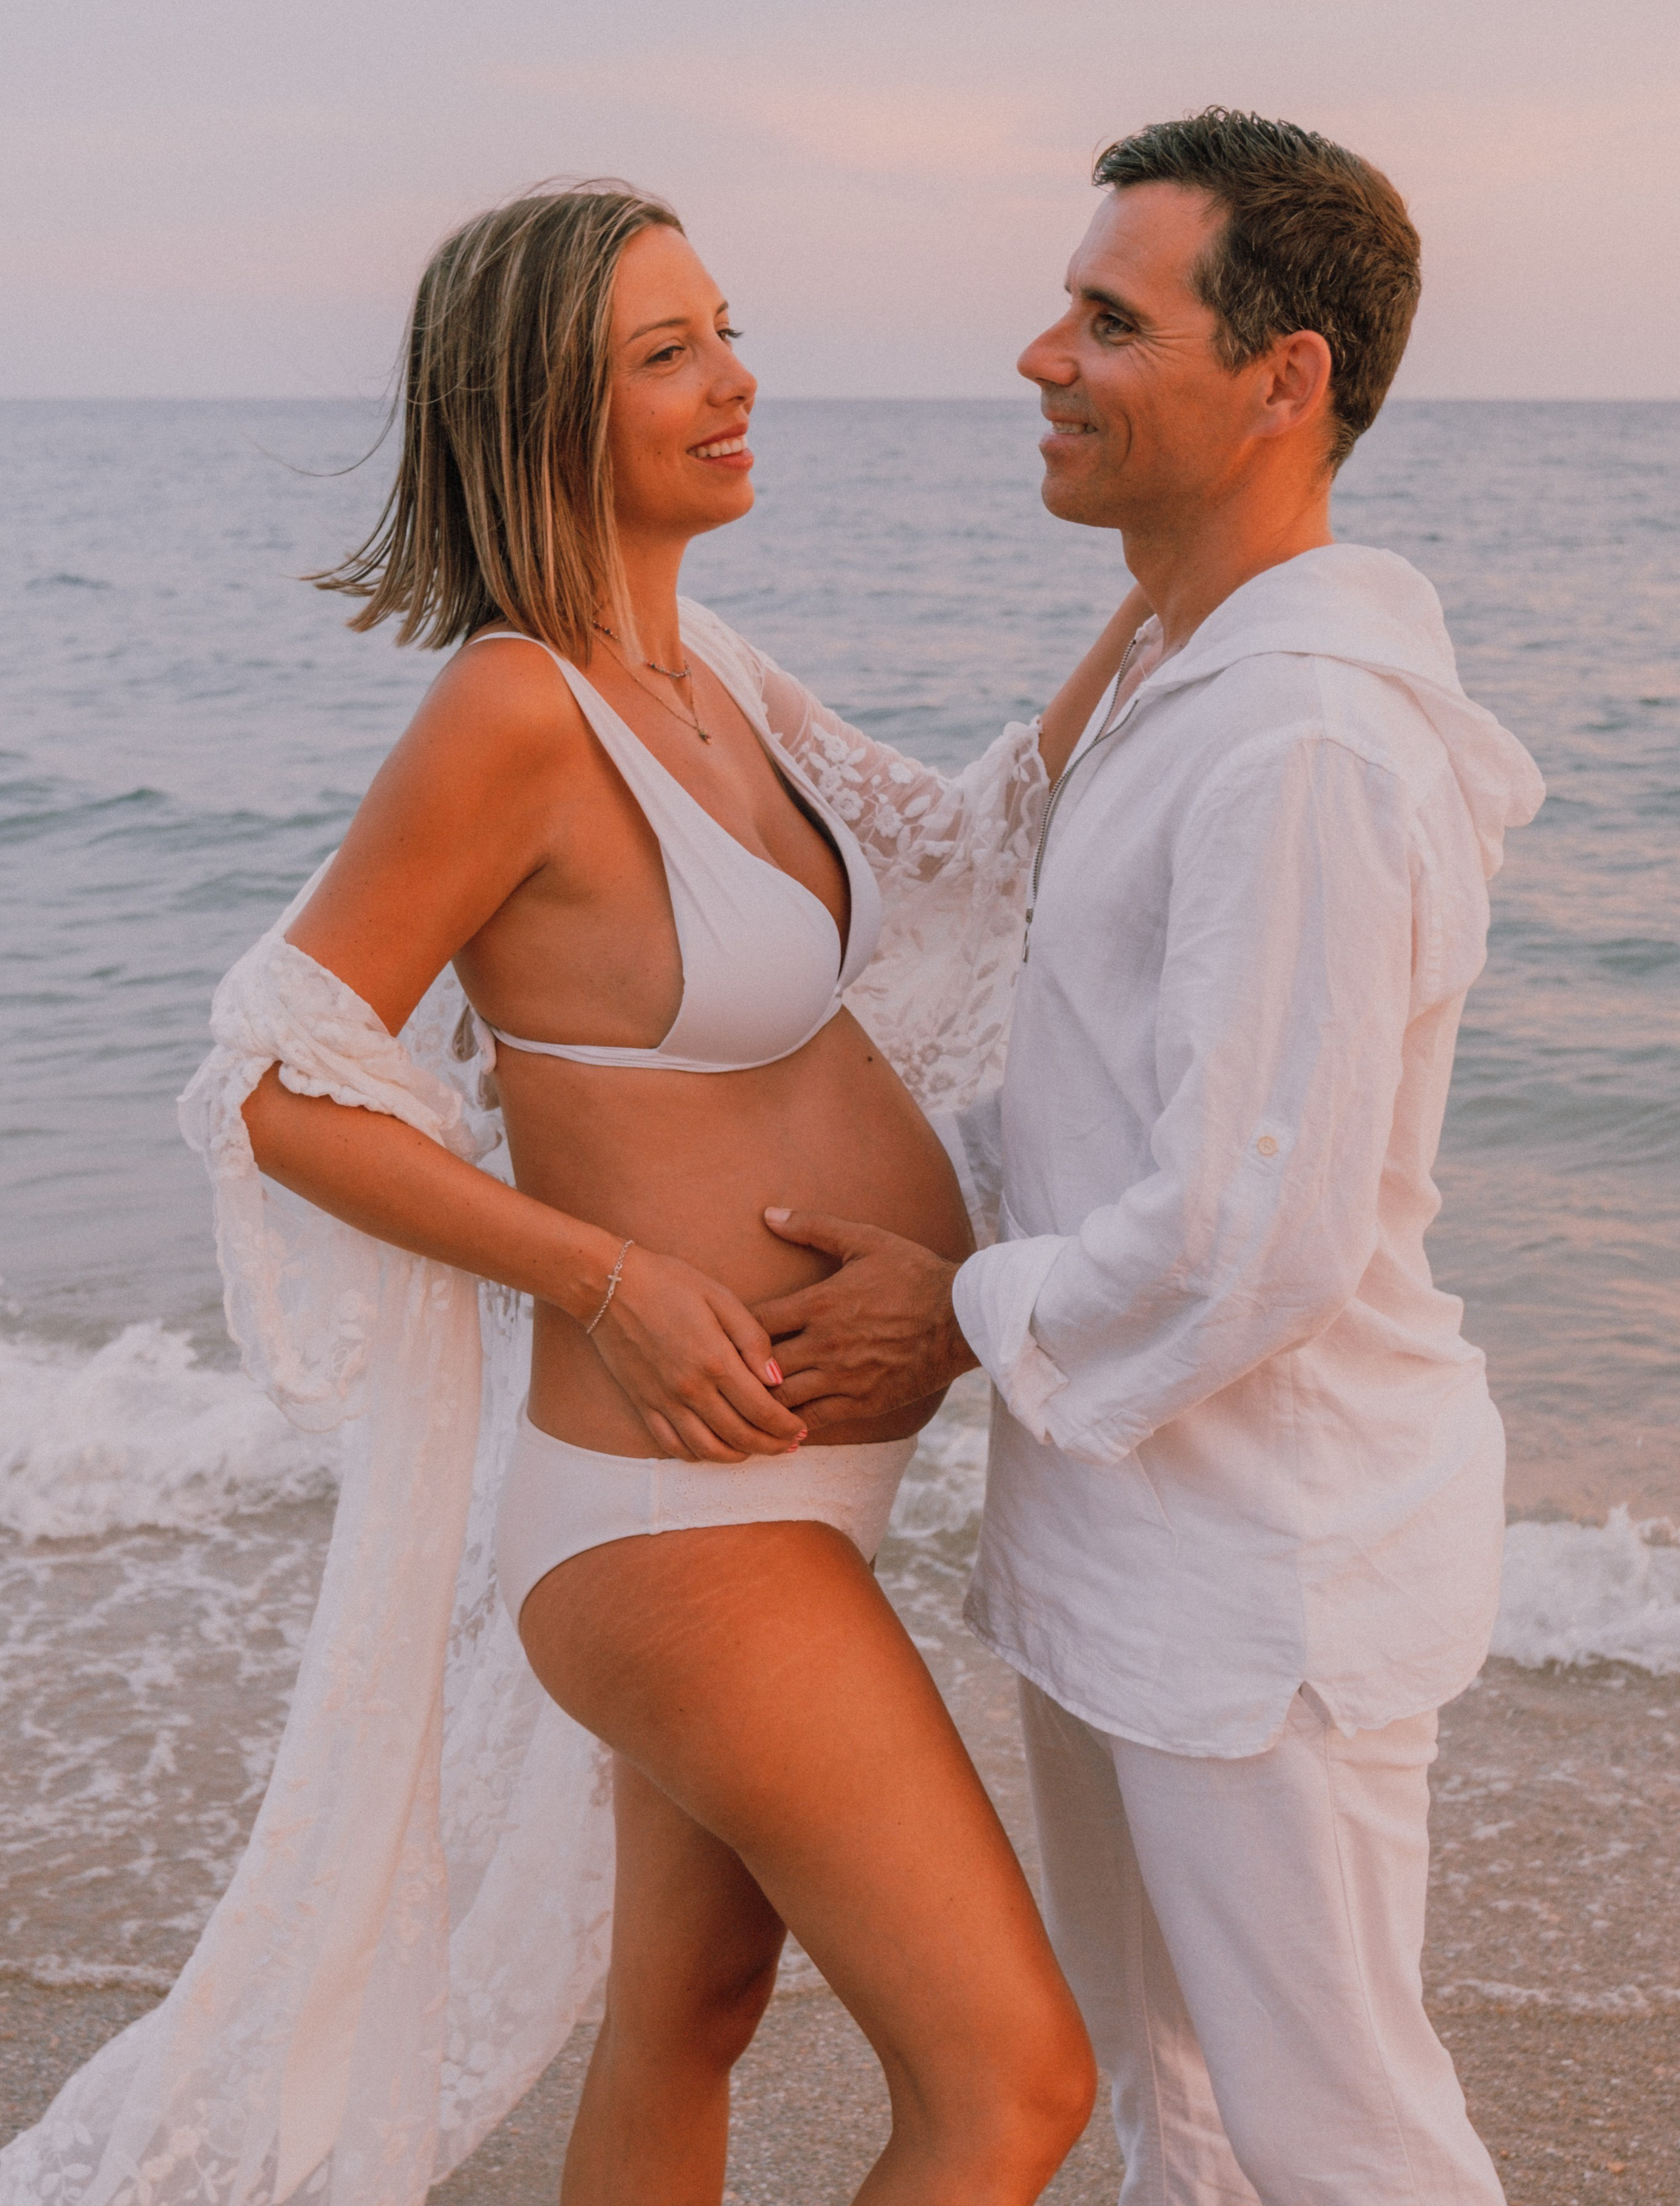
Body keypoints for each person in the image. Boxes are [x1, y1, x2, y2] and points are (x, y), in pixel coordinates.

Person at [2, 181, 1137, 2206]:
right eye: (666, 353)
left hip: (785, 1489)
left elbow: (970, 866)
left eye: (725, 327)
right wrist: (604, 1276)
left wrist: (1184, 570)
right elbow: (271, 1080)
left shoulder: (727, 683)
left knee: (688, 2008)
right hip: (668, 1513)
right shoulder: (516, 710)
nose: (737, 380)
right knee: (1017, 2081)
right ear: (543, 413)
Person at [753, 109, 1545, 2205]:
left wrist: (953, 1308)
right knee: (1171, 2100)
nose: (1042, 355)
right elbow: (1093, 1085)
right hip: (1134, 1538)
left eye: (1113, 318)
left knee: (1339, 2130)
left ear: (1284, 380)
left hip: (1263, 1572)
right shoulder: (1188, 681)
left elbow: (1244, 1234)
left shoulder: (1305, 741)